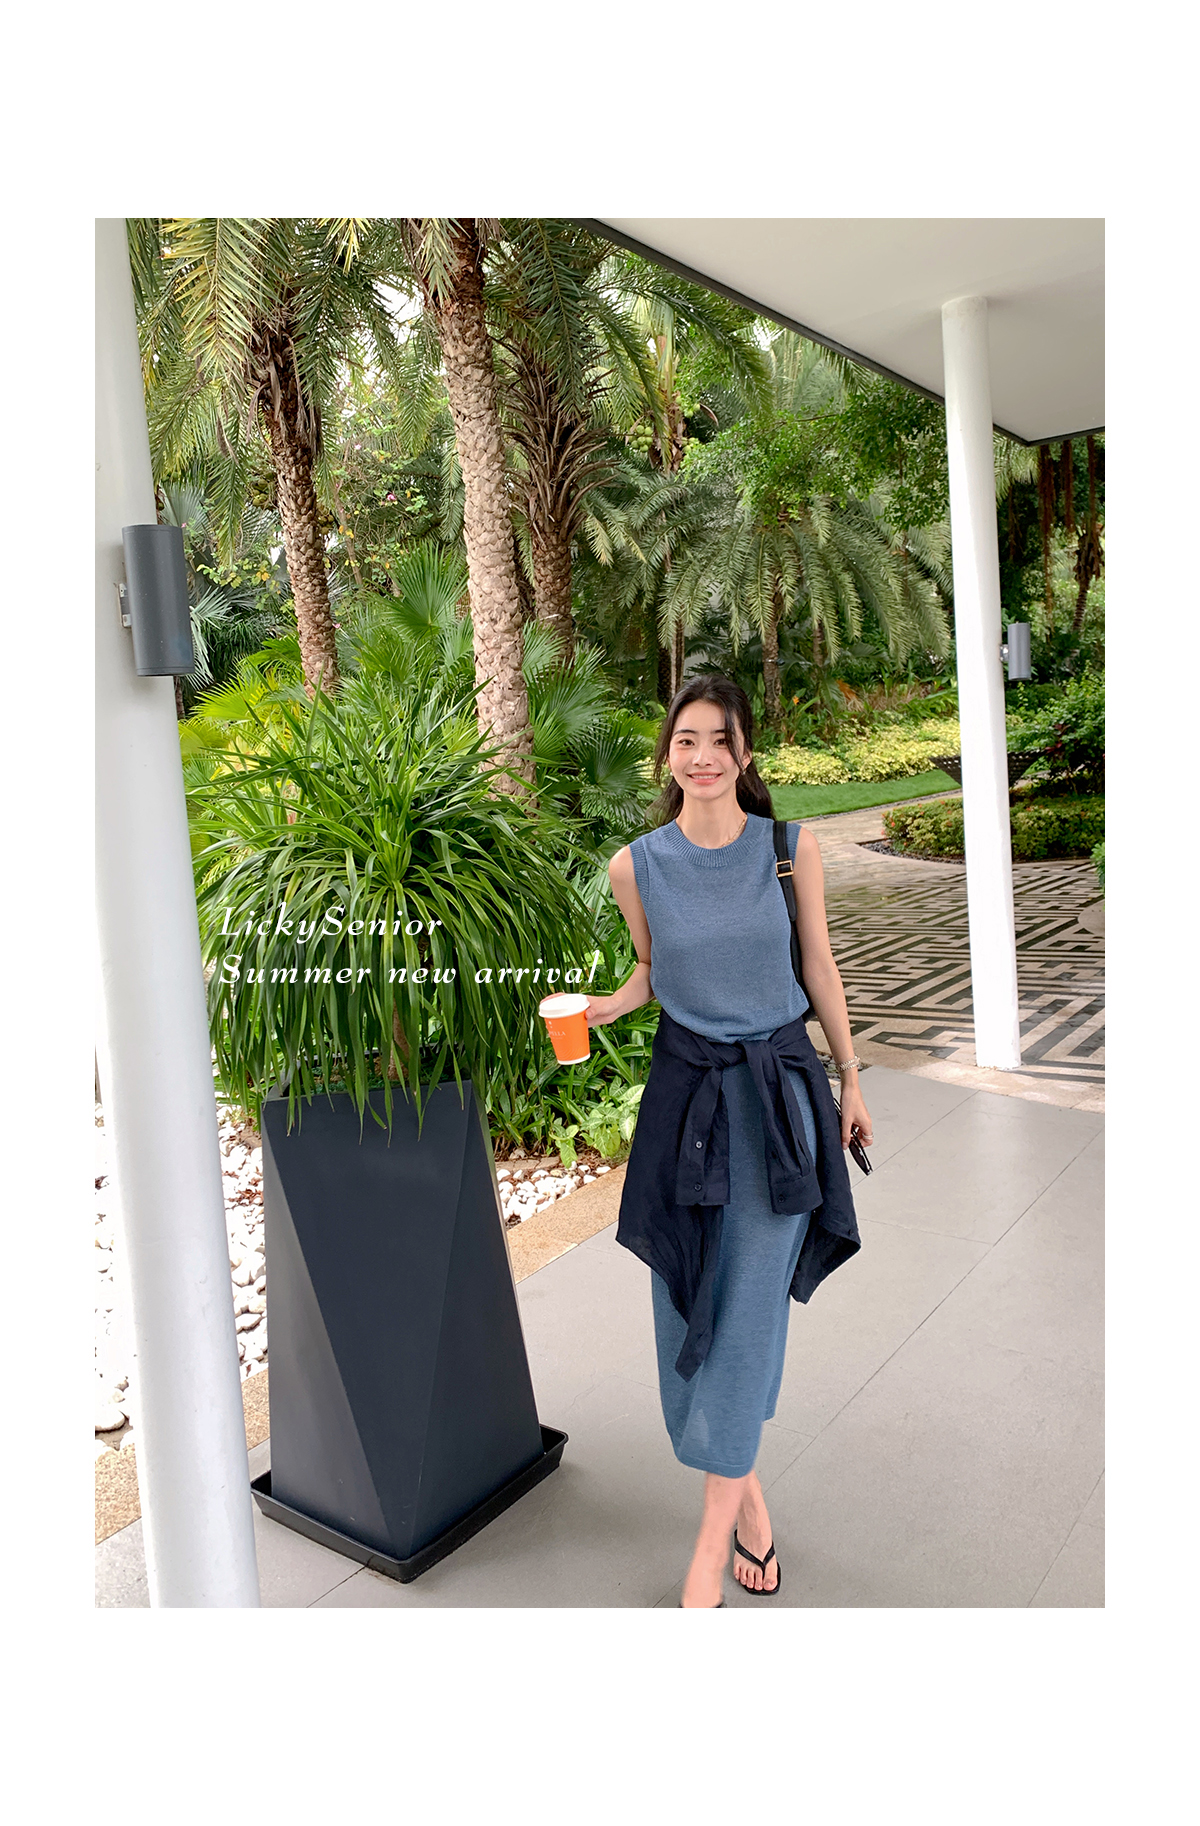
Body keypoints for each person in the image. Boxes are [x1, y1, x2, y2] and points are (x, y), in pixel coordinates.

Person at [585, 675, 873, 1608]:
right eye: (686, 740)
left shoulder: (789, 851)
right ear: (667, 756)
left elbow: (818, 963)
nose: (703, 756)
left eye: (720, 739)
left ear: (745, 753)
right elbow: (651, 969)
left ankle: (707, 1555)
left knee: (746, 1312)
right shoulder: (636, 866)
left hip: (778, 1106)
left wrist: (851, 1076)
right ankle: (749, 1508)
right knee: (689, 1302)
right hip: (686, 1108)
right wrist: (606, 1007)